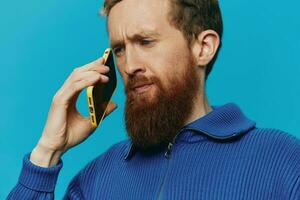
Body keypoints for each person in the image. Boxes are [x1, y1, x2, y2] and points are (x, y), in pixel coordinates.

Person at [7, 0, 300, 199]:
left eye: (145, 42)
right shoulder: (95, 180)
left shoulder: (285, 161)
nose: (129, 65)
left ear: (203, 48)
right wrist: (46, 154)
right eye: (119, 49)